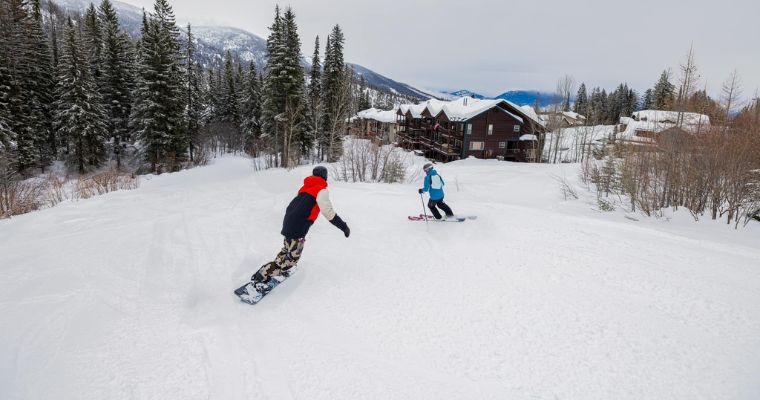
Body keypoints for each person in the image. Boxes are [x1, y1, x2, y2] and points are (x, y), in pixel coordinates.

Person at [251, 166, 350, 292]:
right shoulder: (321, 190)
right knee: (292, 258)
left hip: (288, 222)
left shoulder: (305, 187)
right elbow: (328, 212)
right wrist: (344, 227)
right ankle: (263, 276)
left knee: (286, 249)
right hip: (299, 227)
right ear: (325, 176)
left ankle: (273, 269)